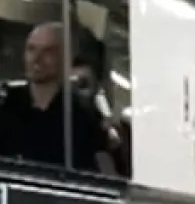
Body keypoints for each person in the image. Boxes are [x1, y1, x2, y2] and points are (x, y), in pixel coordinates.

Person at [0, 22, 116, 175]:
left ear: (65, 58)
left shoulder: (82, 118)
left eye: (48, 51)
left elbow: (106, 175)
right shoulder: (7, 106)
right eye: (31, 49)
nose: (36, 58)